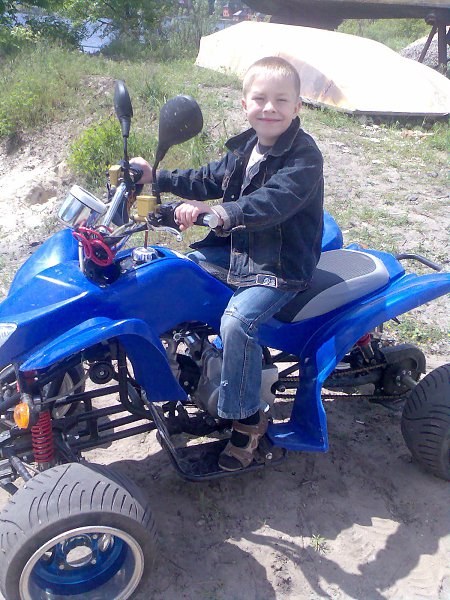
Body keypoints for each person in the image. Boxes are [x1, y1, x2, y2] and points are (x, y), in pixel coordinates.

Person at [131, 56, 324, 471]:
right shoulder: (245, 148)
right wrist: (155, 178)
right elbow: (206, 178)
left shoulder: (304, 157)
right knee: (167, 276)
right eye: (260, 99)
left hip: (280, 264)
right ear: (244, 104)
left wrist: (222, 213)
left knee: (238, 323)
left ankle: (247, 417)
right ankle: (186, 370)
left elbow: (273, 201)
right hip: (238, 251)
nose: (269, 108)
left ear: (297, 107)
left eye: (281, 100)